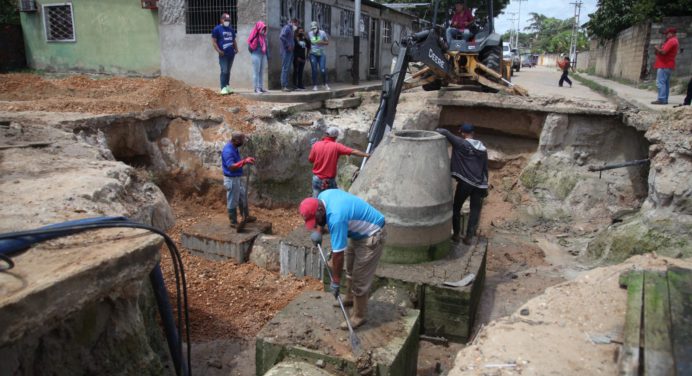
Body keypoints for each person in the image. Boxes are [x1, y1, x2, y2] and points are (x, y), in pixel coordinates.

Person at [300, 189, 386, 329]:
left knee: (360, 279)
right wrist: (318, 231)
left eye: (315, 221)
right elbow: (322, 220)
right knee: (351, 269)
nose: (315, 224)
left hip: (372, 233)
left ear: (320, 209)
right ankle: (350, 298)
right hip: (358, 233)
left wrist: (335, 282)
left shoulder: (336, 217)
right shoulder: (322, 197)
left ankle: (359, 316)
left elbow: (338, 255)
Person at [436, 124, 488, 245]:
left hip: (466, 182)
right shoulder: (483, 148)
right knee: (475, 210)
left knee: (456, 207)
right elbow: (485, 168)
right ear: (473, 133)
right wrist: (486, 185)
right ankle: (469, 237)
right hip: (480, 184)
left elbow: (443, 131)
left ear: (463, 133)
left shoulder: (461, 143)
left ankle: (456, 234)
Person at [308, 126, 370, 197]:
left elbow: (310, 160)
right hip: (329, 181)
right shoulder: (337, 146)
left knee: (316, 200)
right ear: (335, 137)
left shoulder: (316, 145)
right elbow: (353, 151)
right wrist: (367, 155)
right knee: (334, 198)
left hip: (317, 179)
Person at [221, 133, 256, 227]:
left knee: (242, 197)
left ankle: (246, 216)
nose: (243, 142)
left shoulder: (234, 147)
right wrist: (244, 161)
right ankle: (233, 222)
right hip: (231, 180)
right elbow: (231, 167)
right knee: (232, 200)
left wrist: (245, 161)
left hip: (236, 178)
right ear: (236, 140)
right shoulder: (228, 151)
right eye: (242, 140)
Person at [211, 13, 238, 95]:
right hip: (223, 54)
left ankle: (227, 86)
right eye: (225, 20)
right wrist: (219, 51)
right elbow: (214, 42)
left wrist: (236, 49)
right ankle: (223, 88)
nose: (227, 22)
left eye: (228, 20)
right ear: (221, 20)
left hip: (231, 54)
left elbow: (233, 40)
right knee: (224, 70)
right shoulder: (217, 29)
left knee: (228, 71)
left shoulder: (231, 29)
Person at [651, 27, 679, 105]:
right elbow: (659, 53)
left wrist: (657, 48)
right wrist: (657, 50)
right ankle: (664, 99)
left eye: (667, 33)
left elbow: (663, 52)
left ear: (672, 33)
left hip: (664, 64)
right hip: (667, 65)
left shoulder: (672, 41)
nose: (666, 35)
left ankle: (662, 99)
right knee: (665, 83)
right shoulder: (671, 41)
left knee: (660, 82)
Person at [308, 21, 330, 91]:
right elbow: (308, 44)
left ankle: (325, 84)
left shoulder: (322, 33)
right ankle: (315, 85)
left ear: (317, 27)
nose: (314, 30)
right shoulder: (309, 34)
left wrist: (321, 42)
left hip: (321, 54)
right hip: (313, 54)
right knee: (314, 70)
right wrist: (307, 54)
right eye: (312, 28)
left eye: (315, 28)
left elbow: (327, 42)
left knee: (322, 69)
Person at [248, 21, 268, 94]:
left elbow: (266, 46)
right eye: (262, 28)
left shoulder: (263, 36)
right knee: (256, 72)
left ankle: (261, 87)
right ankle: (256, 88)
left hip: (263, 54)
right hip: (256, 54)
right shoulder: (254, 36)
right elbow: (250, 47)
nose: (263, 30)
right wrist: (254, 53)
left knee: (261, 72)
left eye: (264, 28)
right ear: (259, 27)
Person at [280, 18, 299, 92]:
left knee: (288, 68)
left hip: (290, 52)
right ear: (292, 22)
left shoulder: (291, 30)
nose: (296, 26)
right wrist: (288, 45)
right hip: (286, 51)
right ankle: (283, 85)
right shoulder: (287, 28)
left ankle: (286, 85)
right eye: (296, 24)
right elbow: (281, 36)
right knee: (285, 68)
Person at [293, 27, 311, 91]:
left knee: (301, 72)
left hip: (303, 57)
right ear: (297, 32)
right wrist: (297, 57)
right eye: (300, 31)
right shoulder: (295, 38)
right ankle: (295, 85)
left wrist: (307, 55)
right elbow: (294, 48)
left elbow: (309, 45)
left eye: (302, 31)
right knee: (296, 71)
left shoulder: (303, 39)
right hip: (297, 57)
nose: (301, 32)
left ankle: (300, 85)